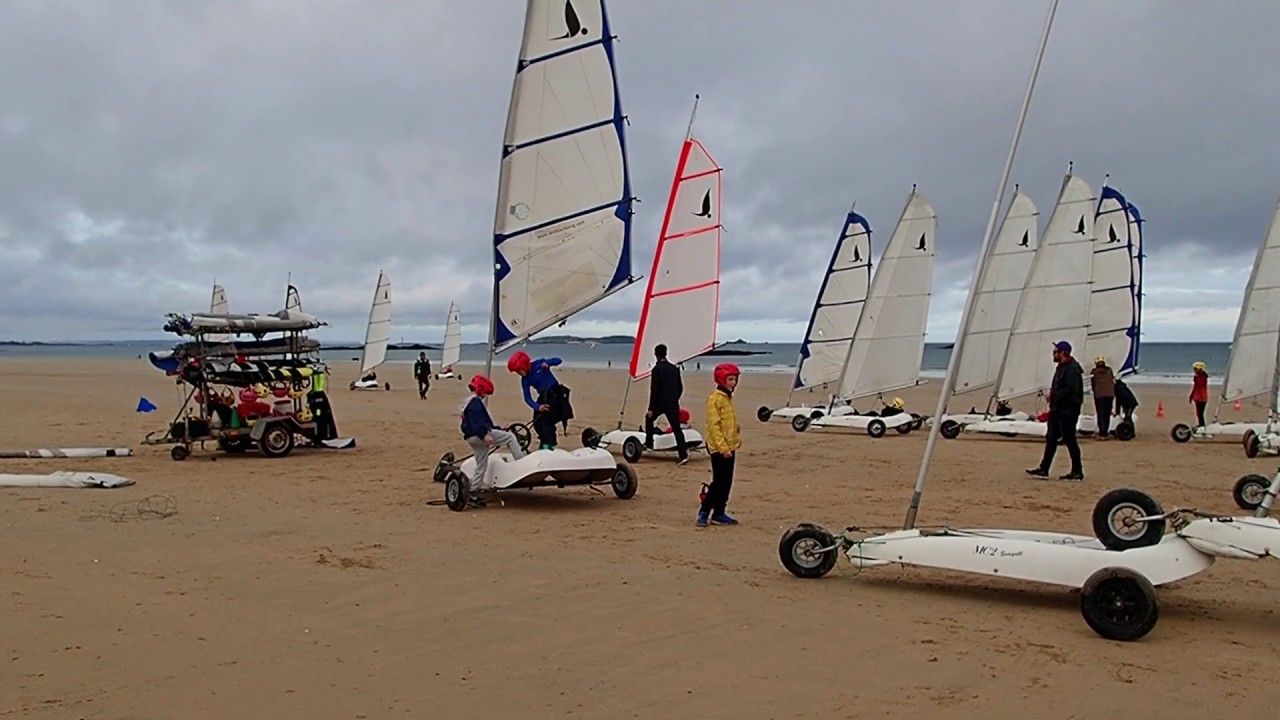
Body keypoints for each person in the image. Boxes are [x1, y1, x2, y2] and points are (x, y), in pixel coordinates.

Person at [459, 374, 525, 500]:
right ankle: (522, 464)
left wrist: (498, 429)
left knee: (481, 465)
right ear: (480, 389)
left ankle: (473, 491)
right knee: (510, 438)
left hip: (471, 437)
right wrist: (484, 435)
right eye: (485, 392)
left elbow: (472, 424)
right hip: (480, 435)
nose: (485, 395)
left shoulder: (468, 403)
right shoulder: (476, 403)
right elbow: (478, 422)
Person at [1026, 340, 1084, 481]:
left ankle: (1077, 471)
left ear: (1063, 353)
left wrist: (1054, 397)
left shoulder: (1072, 369)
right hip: (1057, 409)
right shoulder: (1062, 367)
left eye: (1056, 352)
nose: (1053, 354)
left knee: (1070, 439)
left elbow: (1071, 389)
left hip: (1068, 410)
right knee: (1051, 438)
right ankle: (1044, 469)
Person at [699, 363, 742, 527]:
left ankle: (719, 512)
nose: (733, 383)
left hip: (730, 446)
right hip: (719, 448)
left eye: (735, 379)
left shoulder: (727, 397)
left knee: (727, 482)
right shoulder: (715, 398)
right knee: (719, 482)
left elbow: (727, 420)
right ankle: (704, 511)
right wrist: (723, 448)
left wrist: (735, 431)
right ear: (721, 379)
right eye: (730, 379)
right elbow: (714, 426)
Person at [507, 350, 572, 450]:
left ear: (524, 364)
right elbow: (527, 398)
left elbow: (559, 360)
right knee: (537, 422)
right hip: (543, 396)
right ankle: (544, 441)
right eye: (517, 372)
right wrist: (538, 407)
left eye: (519, 370)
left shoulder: (539, 364)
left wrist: (548, 363)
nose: (519, 373)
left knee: (547, 421)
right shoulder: (525, 380)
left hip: (555, 394)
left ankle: (549, 445)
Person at [645, 343, 688, 464]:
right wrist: (674, 398)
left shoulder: (656, 369)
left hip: (660, 404)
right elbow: (680, 388)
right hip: (672, 403)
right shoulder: (674, 369)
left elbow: (654, 390)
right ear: (666, 353)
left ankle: (649, 443)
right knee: (677, 428)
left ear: (656, 354)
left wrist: (651, 408)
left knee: (648, 418)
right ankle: (683, 455)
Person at [1090, 356, 1116, 440]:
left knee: (1101, 414)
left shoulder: (1094, 372)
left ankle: (1102, 434)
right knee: (1107, 414)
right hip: (1109, 395)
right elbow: (1112, 380)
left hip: (1099, 395)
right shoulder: (1109, 370)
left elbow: (1093, 384)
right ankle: (1105, 432)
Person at [1190, 361, 1209, 428]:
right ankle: (1200, 424)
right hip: (1197, 397)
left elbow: (1199, 384)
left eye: (1195, 369)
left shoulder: (1203, 377)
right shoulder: (1197, 377)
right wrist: (1191, 396)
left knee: (1200, 413)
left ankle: (1202, 425)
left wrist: (1196, 379)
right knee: (1198, 413)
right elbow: (1195, 387)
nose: (1194, 370)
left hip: (1202, 398)